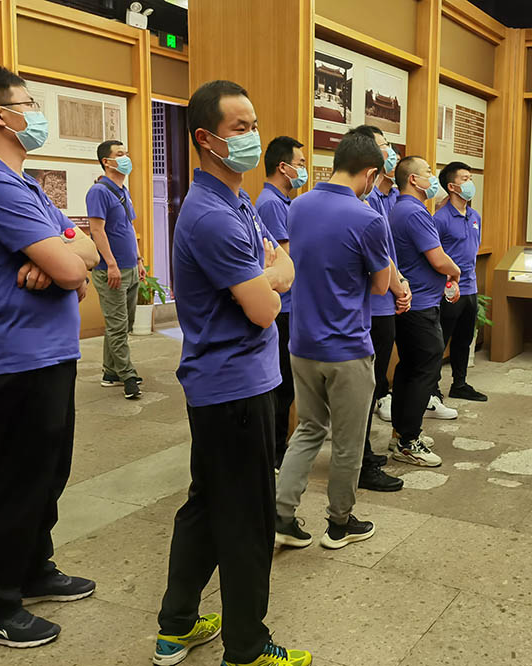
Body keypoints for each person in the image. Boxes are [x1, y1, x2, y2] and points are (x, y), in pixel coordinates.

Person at [153, 80, 309, 666]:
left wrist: (271, 275)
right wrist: (270, 278)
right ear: (206, 138)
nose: (252, 137)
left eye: (254, 125)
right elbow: (267, 307)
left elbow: (284, 264)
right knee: (246, 518)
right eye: (240, 128)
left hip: (235, 383)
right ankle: (246, 647)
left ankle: (176, 626)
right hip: (234, 389)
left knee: (206, 505)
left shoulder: (238, 202)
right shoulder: (211, 216)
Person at [0, 65, 100, 649]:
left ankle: (34, 568)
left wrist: (61, 259)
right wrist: (63, 264)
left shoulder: (26, 185)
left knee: (49, 471)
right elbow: (72, 264)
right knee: (14, 480)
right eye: (28, 103)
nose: (37, 113)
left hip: (50, 353)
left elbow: (86, 248)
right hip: (15, 358)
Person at [274, 130, 392, 551]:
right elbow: (381, 286)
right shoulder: (368, 218)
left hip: (302, 342)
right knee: (347, 442)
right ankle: (340, 523)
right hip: (347, 348)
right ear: (370, 174)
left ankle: (281, 514)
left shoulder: (298, 205)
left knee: (308, 429)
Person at [388, 156, 462, 466]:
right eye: (428, 172)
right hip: (419, 306)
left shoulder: (400, 209)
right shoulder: (414, 212)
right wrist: (456, 272)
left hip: (413, 302)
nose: (433, 177)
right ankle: (408, 441)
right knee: (424, 369)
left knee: (409, 368)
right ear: (413, 180)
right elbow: (438, 258)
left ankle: (401, 431)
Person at [358, 125, 410, 493]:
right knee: (365, 388)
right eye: (382, 145)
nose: (390, 151)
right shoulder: (365, 201)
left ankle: (363, 453)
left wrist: (400, 283)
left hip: (385, 302)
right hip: (373, 306)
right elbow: (377, 262)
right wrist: (397, 285)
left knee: (374, 384)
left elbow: (388, 254)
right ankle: (359, 460)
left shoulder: (382, 197)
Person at [255, 135, 306, 469]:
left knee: (286, 385)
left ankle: (278, 446)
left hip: (290, 305)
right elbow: (286, 256)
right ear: (283, 167)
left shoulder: (283, 202)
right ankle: (274, 451)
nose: (303, 170)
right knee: (280, 384)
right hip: (281, 307)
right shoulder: (271, 204)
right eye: (300, 164)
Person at [87, 139, 147, 399]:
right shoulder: (99, 191)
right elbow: (97, 230)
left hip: (130, 267)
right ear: (106, 162)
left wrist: (139, 260)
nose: (126, 158)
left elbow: (129, 228)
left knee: (123, 323)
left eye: (126, 153)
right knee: (117, 325)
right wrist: (110, 263)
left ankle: (110, 372)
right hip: (111, 270)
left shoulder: (123, 190)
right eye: (120, 154)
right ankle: (128, 375)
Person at [431, 162, 487, 402]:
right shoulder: (440, 218)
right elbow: (432, 254)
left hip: (470, 288)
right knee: (440, 340)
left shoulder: (475, 216)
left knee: (464, 340)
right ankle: (432, 388)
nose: (470, 183)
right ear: (452, 186)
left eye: (470, 178)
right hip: (448, 291)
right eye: (465, 179)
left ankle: (460, 384)